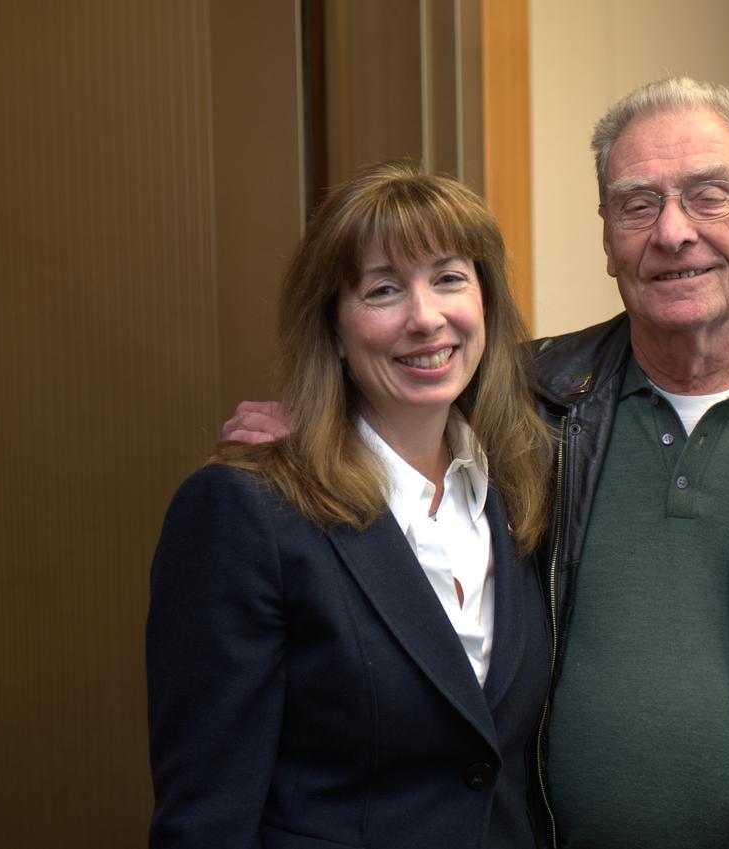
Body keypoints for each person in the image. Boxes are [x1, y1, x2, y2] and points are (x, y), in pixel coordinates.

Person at [223, 78, 729, 849]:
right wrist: (328, 422)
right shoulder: (526, 404)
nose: (673, 231)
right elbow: (404, 389)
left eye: (709, 194)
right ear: (608, 238)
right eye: (637, 204)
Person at [148, 163, 552, 849]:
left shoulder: (518, 489)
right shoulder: (246, 512)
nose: (426, 318)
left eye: (450, 278)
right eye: (383, 289)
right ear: (333, 328)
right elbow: (205, 814)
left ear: (487, 302)